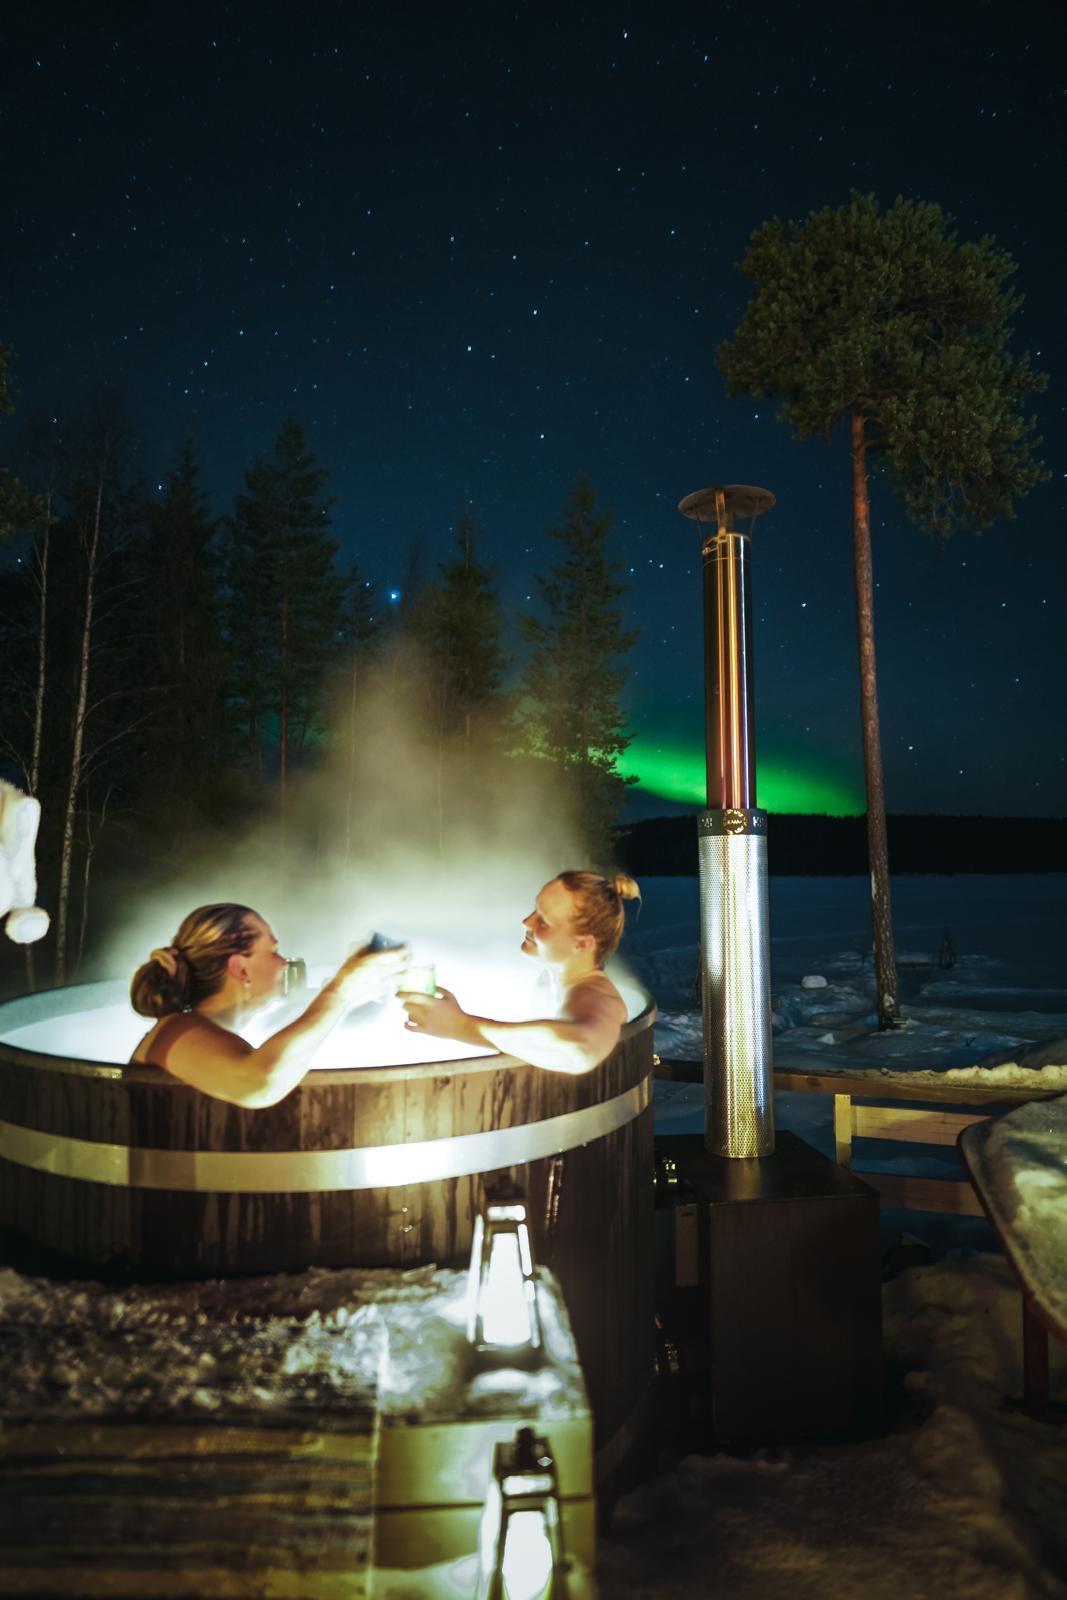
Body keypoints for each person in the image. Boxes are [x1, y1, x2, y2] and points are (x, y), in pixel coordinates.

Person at [130, 903, 408, 1108]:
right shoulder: (178, 1029)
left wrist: (355, 992)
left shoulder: (198, 1029)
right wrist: (341, 992)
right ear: (240, 970)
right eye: (273, 951)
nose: (284, 963)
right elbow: (261, 1082)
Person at [401, 870, 640, 1074]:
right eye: (535, 909)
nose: (527, 921)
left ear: (582, 944)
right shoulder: (552, 980)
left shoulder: (597, 997)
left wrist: (460, 1026)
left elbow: (582, 1048)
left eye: (543, 922)